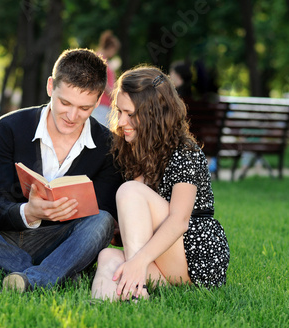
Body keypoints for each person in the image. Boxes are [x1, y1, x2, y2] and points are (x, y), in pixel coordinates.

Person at [0, 48, 124, 292]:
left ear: (97, 102)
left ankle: (27, 275)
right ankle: (49, 272)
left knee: (102, 220)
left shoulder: (109, 145)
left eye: (84, 108)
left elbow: (100, 218)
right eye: (65, 103)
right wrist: (29, 213)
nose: (72, 116)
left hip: (61, 243)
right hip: (1, 238)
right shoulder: (10, 127)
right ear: (51, 87)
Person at [91, 66, 230, 301]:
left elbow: (179, 221)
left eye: (130, 114)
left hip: (195, 255)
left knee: (130, 190)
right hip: (159, 256)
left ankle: (136, 291)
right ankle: (102, 309)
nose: (121, 121)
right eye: (119, 111)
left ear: (154, 114)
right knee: (107, 258)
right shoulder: (131, 150)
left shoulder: (185, 152)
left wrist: (138, 261)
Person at [91, 30, 121, 128]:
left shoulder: (105, 60)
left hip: (105, 104)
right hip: (101, 103)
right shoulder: (99, 59)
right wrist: (114, 95)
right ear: (111, 48)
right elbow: (102, 82)